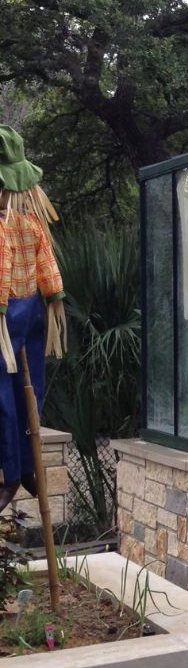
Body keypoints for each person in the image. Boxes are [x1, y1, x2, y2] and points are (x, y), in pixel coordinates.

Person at [0, 126, 66, 513]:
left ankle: (13, 470)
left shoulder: (12, 224)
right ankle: (24, 467)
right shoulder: (30, 222)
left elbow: (6, 268)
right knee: (28, 392)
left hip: (8, 318)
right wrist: (53, 296)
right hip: (31, 312)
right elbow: (46, 263)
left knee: (8, 399)